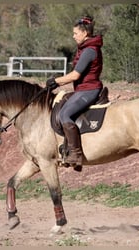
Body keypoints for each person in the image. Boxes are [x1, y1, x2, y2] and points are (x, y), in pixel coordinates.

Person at [46, 15, 103, 168]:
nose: (73, 36)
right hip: (83, 89)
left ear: (85, 33)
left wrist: (56, 81)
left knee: (65, 114)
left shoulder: (89, 51)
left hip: (89, 90)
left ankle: (76, 154)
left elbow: (75, 75)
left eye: (75, 33)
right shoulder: (85, 48)